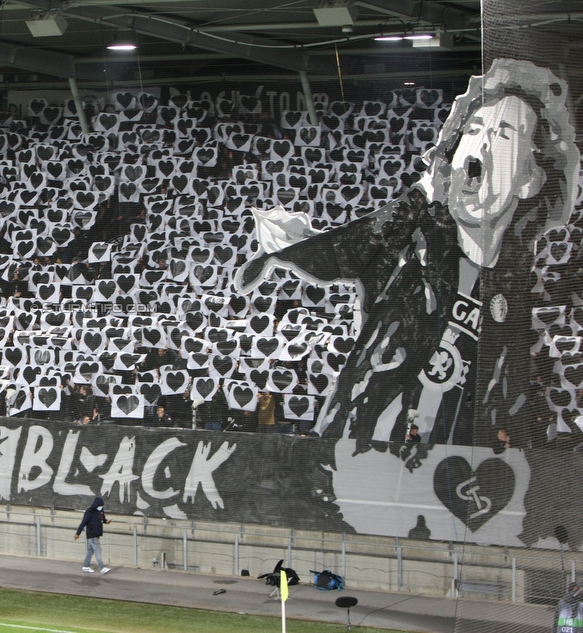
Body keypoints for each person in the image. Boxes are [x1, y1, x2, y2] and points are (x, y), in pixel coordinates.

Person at [236, 59, 580, 453]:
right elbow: (352, 247)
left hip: (445, 482)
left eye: (502, 135)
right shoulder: (408, 248)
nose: (480, 147)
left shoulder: (517, 291)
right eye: (473, 130)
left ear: (529, 178)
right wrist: (286, 246)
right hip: (352, 466)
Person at [74, 496, 111, 574]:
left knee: (90, 551)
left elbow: (102, 519)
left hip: (97, 533)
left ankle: (85, 566)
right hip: (92, 533)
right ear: (97, 505)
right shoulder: (89, 512)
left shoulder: (100, 512)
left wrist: (106, 521)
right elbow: (83, 523)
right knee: (98, 551)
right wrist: (78, 533)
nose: (101, 507)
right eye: (100, 505)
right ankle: (102, 567)